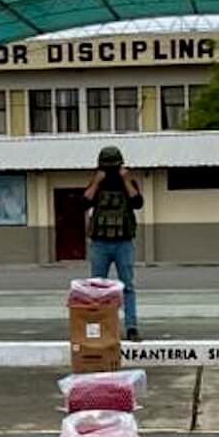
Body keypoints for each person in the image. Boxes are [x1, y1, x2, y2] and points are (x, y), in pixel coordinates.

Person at [83, 144, 144, 340]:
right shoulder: (97, 183)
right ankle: (98, 328)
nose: (110, 172)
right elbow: (84, 202)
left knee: (127, 286)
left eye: (113, 167)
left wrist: (126, 179)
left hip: (123, 243)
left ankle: (131, 327)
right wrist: (96, 181)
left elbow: (137, 203)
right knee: (97, 289)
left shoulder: (128, 182)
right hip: (100, 243)